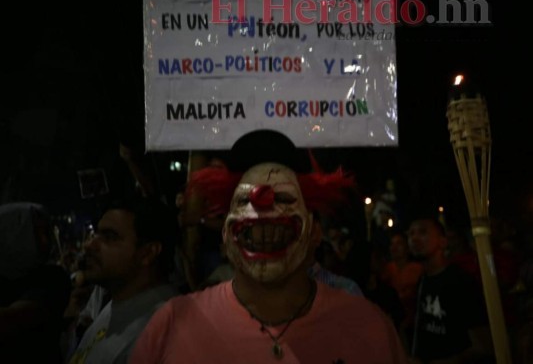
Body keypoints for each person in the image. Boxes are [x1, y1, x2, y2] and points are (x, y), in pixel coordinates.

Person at [130, 130, 408, 363]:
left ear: (314, 232)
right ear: (225, 233)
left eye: (285, 197)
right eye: (243, 201)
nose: (263, 205)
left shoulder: (370, 328)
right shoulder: (169, 325)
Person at [67, 197, 178, 364]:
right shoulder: (117, 304)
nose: (89, 245)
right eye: (96, 234)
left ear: (148, 253)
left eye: (110, 237)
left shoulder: (164, 332)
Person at [407, 217, 493, 363]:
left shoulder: (461, 282)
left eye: (422, 232)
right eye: (410, 234)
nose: (414, 238)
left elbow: (483, 345)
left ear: (443, 241)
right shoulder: (423, 280)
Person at [0, 202, 72, 363]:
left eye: (47, 233)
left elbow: (13, 320)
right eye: (35, 234)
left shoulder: (52, 277)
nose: (46, 242)